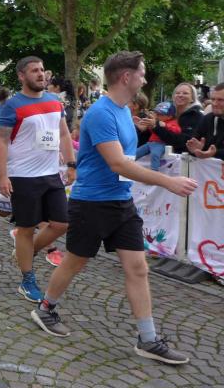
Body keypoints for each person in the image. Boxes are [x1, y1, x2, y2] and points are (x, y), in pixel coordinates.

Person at [30, 50, 198, 365]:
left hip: (122, 202)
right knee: (75, 262)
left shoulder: (123, 111)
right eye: (142, 74)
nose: (144, 79)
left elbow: (126, 161)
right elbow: (117, 163)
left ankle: (148, 339)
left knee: (138, 267)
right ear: (126, 77)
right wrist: (167, 182)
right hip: (91, 204)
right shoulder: (101, 113)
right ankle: (46, 308)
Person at [0, 56, 75, 302]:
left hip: (51, 173)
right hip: (23, 175)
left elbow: (64, 134)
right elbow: (1, 141)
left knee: (62, 223)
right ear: (22, 76)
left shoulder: (54, 101)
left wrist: (71, 163)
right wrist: (2, 176)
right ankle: (27, 279)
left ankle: (26, 253)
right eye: (34, 71)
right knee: (26, 229)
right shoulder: (12, 106)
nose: (41, 74)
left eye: (42, 70)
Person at [144, 82, 204, 153]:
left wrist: (156, 127)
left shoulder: (197, 116)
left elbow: (185, 141)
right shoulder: (165, 112)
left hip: (183, 157)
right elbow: (150, 136)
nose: (180, 95)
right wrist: (143, 128)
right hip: (159, 153)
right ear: (173, 96)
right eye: (177, 93)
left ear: (192, 99)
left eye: (185, 93)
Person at [135, 102, 180, 171]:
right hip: (150, 142)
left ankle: (154, 170)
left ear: (169, 116)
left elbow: (177, 130)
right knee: (136, 152)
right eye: (157, 113)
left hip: (160, 143)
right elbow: (153, 132)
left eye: (160, 114)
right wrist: (148, 126)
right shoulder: (157, 121)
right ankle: (127, 165)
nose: (157, 115)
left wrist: (166, 125)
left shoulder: (173, 122)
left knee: (155, 154)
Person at [186, 82, 224, 160]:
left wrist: (214, 153)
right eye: (213, 99)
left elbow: (212, 152)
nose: (215, 103)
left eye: (220, 100)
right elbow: (194, 145)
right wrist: (196, 149)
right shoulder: (207, 119)